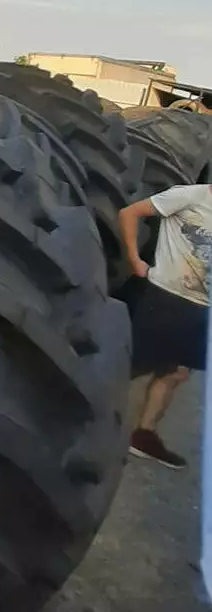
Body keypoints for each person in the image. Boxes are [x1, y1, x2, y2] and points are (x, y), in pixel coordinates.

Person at [119, 184, 212, 469]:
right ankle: (69, 413)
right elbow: (129, 213)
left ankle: (143, 435)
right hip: (167, 299)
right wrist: (135, 260)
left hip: (202, 308)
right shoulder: (189, 196)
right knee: (130, 365)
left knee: (176, 372)